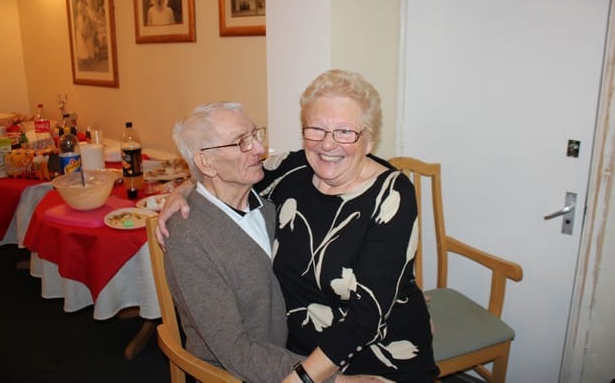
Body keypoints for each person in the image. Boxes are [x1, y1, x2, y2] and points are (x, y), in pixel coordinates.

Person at [159, 70, 439, 382]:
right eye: (316, 129)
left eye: (345, 131)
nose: (328, 143)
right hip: (301, 353)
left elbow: (369, 312)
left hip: (376, 346)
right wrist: (180, 192)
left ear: (369, 140)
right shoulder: (290, 173)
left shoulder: (391, 193)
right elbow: (219, 180)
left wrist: (303, 379)